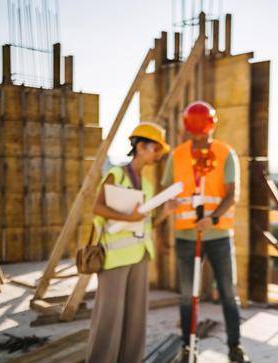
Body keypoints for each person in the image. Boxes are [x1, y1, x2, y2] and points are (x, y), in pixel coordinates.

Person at [161, 101, 251, 363]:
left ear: (211, 127)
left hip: (219, 235)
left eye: (204, 131)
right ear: (188, 129)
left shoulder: (225, 153)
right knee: (187, 295)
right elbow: (169, 193)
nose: (199, 135)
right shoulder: (177, 155)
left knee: (227, 293)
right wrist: (169, 204)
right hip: (186, 237)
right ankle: (188, 347)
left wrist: (212, 219)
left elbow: (232, 195)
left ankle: (235, 347)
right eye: (195, 131)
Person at [86, 122, 172, 363]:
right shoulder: (117, 174)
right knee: (109, 320)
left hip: (140, 256)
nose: (158, 155)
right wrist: (129, 217)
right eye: (156, 149)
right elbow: (97, 207)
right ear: (141, 147)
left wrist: (165, 212)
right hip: (114, 257)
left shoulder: (146, 184)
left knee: (135, 321)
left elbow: (145, 223)